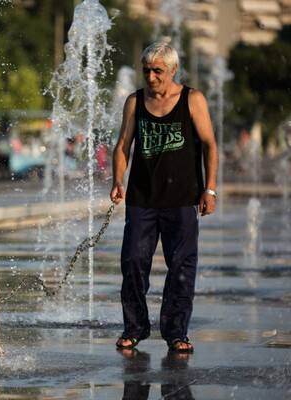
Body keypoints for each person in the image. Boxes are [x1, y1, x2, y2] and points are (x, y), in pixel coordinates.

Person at [110, 42, 218, 353]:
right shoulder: (135, 102)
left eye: (158, 71)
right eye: (146, 71)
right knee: (132, 262)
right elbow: (122, 146)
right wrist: (118, 180)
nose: (151, 76)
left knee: (182, 268)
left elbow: (210, 145)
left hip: (183, 198)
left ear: (172, 70)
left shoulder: (192, 100)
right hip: (142, 199)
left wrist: (209, 189)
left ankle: (176, 332)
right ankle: (135, 327)